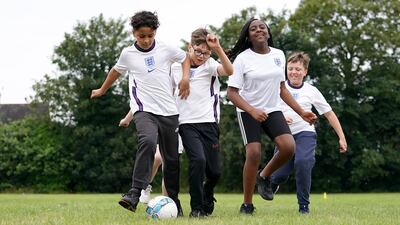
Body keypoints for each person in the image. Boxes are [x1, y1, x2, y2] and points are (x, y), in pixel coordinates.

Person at [90, 11, 190, 216]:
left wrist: (185, 78)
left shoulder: (166, 49)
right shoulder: (128, 54)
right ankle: (135, 193)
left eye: (150, 36)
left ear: (155, 33)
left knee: (171, 160)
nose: (145, 40)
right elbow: (115, 71)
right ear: (133, 33)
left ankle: (174, 201)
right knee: (147, 141)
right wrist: (102, 89)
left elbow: (185, 58)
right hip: (143, 108)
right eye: (141, 36)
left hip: (169, 111)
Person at [226, 18, 317, 215]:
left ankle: (264, 176)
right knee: (254, 153)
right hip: (247, 110)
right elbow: (231, 93)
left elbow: (282, 88)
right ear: (248, 36)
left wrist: (302, 112)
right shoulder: (242, 58)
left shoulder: (278, 55)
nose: (259, 30)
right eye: (253, 29)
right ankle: (247, 204)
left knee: (288, 146)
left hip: (272, 109)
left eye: (262, 27)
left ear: (268, 32)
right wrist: (251, 110)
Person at [270, 51, 347, 214]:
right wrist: (282, 117)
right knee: (279, 175)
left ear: (305, 72)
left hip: (305, 133)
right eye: (290, 68)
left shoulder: (311, 91)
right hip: (284, 135)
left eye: (298, 69)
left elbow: (329, 114)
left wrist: (341, 137)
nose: (294, 72)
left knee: (303, 163)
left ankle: (303, 207)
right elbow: (268, 109)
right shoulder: (278, 88)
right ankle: (273, 182)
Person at [172, 28, 233, 217]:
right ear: (190, 47)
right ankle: (197, 208)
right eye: (197, 51)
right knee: (198, 161)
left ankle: (208, 191)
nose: (201, 56)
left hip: (209, 123)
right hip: (186, 124)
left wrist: (218, 49)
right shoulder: (175, 67)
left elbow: (230, 70)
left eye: (205, 53)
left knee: (214, 172)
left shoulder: (210, 64)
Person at [119, 110, 184, 203]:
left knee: (168, 165)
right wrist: (127, 118)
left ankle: (167, 202)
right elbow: (139, 102)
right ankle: (144, 186)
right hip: (158, 118)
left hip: (177, 122)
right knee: (158, 157)